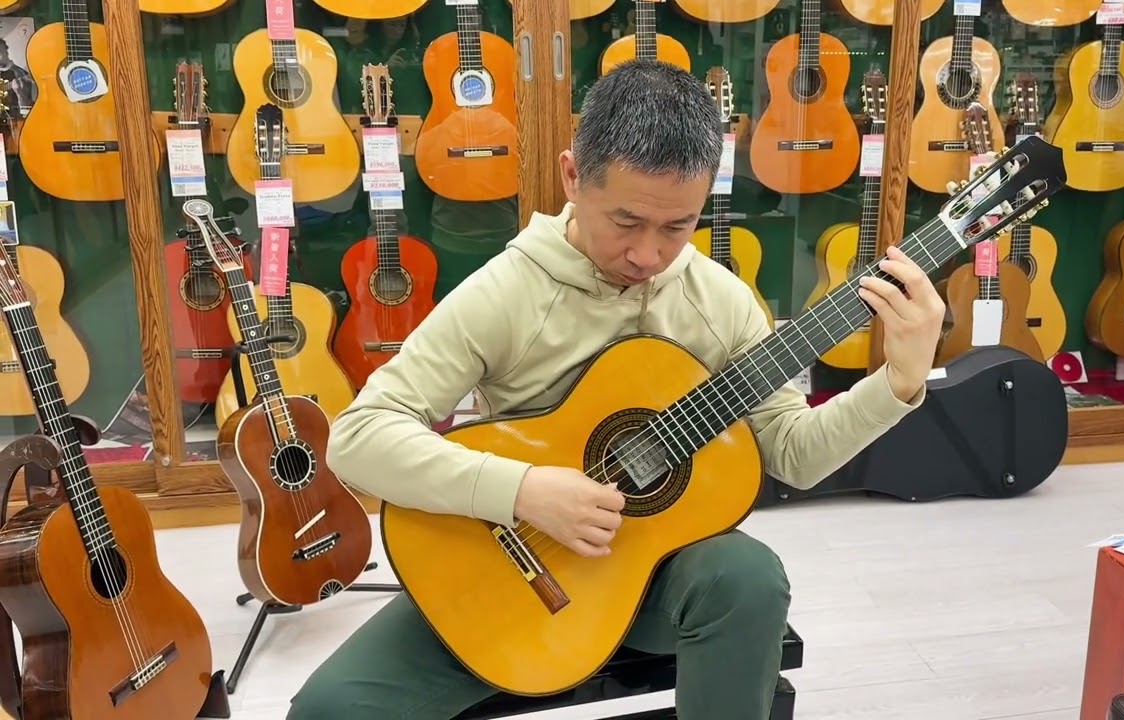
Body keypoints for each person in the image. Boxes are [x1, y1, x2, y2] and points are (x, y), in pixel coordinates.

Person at [287, 58, 945, 719]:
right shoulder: (505, 292)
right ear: (574, 177)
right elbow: (360, 438)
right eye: (626, 222)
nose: (649, 255)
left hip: (655, 581)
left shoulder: (719, 300)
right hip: (516, 569)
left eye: (677, 226)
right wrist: (523, 492)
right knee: (328, 709)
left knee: (747, 577)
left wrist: (900, 379)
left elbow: (795, 453)